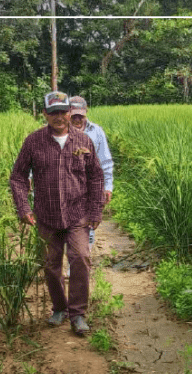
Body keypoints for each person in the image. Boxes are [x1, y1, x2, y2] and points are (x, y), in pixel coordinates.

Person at [9, 91, 105, 336]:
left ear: (69, 112)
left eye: (62, 111)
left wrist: (96, 210)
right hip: (47, 215)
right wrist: (23, 208)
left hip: (77, 214)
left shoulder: (83, 141)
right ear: (44, 114)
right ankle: (60, 307)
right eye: (53, 112)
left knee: (80, 257)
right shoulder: (33, 142)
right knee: (51, 265)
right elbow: (18, 177)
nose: (59, 117)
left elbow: (96, 177)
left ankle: (78, 313)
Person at [68, 96, 114, 257]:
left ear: (86, 112)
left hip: (90, 187)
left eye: (80, 115)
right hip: (65, 187)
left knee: (88, 225)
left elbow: (105, 161)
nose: (77, 119)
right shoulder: (58, 131)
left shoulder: (96, 131)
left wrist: (107, 187)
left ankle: (79, 262)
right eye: (73, 115)